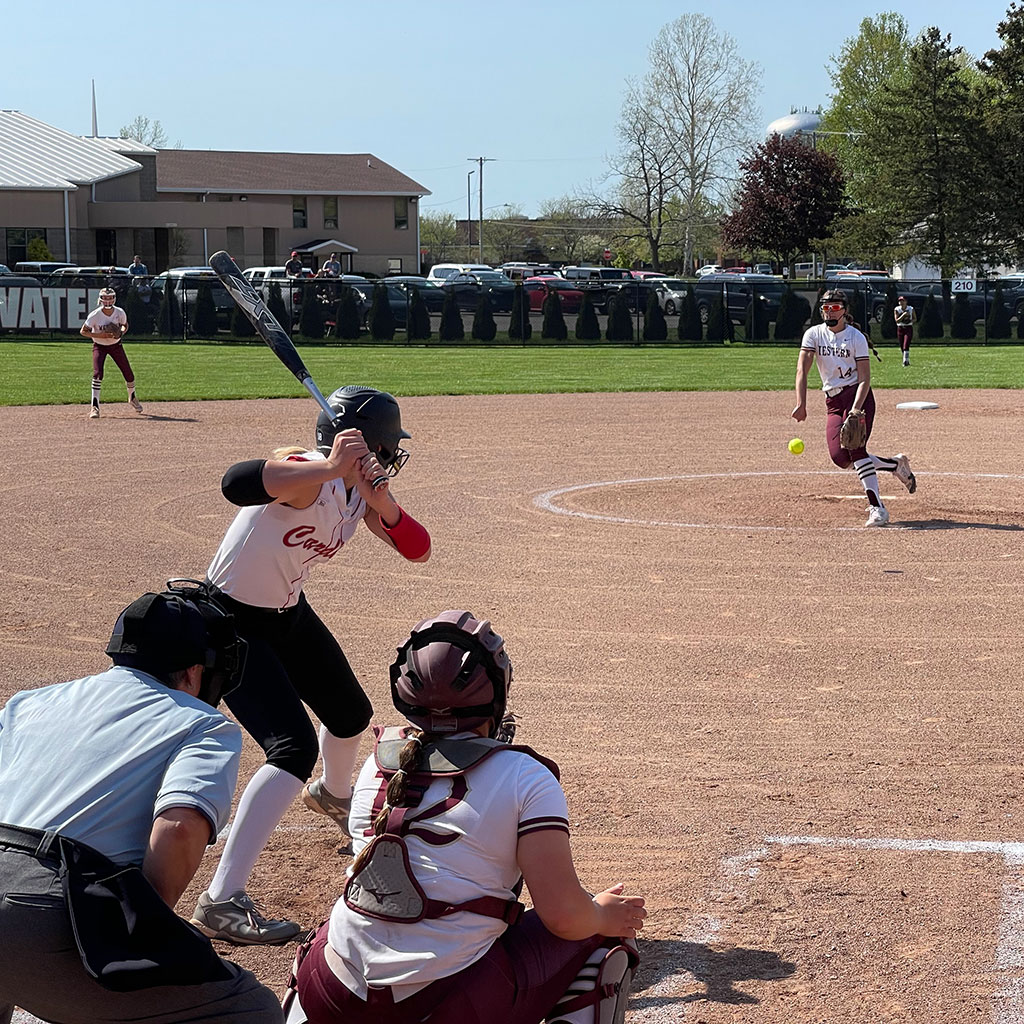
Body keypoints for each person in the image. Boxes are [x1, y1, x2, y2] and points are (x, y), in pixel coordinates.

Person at [285, 610, 645, 1024]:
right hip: (443, 1005)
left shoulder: (377, 763)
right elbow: (564, 916)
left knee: (334, 929)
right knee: (601, 934)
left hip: (327, 994)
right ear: (497, 691)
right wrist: (603, 913)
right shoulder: (524, 776)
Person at [190, 386, 432, 946]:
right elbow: (236, 482)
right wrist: (327, 466)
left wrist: (383, 502)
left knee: (350, 714)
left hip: (286, 613)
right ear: (367, 441)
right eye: (388, 443)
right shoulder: (305, 475)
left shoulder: (353, 491)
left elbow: (417, 548)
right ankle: (221, 899)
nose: (393, 452)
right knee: (291, 748)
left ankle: (332, 793)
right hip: (231, 621)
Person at [0, 581, 283, 1023]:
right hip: (42, 911)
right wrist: (141, 936)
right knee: (251, 1009)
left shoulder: (28, 703)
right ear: (194, 672)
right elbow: (180, 827)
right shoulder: (203, 724)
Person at [792, 288, 917, 528]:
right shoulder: (814, 334)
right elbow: (802, 369)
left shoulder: (855, 337)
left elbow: (864, 379)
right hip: (833, 402)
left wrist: (856, 410)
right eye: (826, 308)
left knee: (857, 450)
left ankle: (877, 508)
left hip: (858, 397)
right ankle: (894, 464)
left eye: (836, 308)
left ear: (845, 311)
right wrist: (801, 403)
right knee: (841, 458)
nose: (830, 312)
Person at [80, 286, 143, 418]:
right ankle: (94, 407)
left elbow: (125, 324)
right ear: (100, 299)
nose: (107, 301)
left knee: (128, 373)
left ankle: (132, 398)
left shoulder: (119, 312)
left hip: (115, 345)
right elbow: (83, 331)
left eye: (110, 298)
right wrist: (101, 335)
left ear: (114, 299)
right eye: (105, 298)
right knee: (97, 374)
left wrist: (121, 332)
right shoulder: (95, 315)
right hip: (99, 345)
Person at [894, 294, 915, 366]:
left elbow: (915, 319)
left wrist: (910, 320)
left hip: (908, 328)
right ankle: (906, 360)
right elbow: (897, 321)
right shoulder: (897, 309)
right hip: (900, 328)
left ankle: (905, 361)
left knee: (906, 344)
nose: (901, 302)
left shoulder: (910, 309)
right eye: (900, 301)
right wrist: (903, 315)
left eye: (903, 301)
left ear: (906, 301)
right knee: (901, 345)